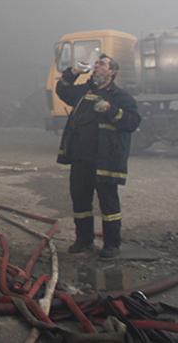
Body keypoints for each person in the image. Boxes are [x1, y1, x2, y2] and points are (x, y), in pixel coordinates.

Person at [56, 53, 141, 259]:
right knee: (80, 200)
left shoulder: (121, 97)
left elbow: (132, 122)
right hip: (81, 158)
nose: (96, 67)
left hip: (105, 159)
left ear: (112, 72)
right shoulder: (84, 91)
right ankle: (84, 241)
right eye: (96, 64)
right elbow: (63, 90)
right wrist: (74, 71)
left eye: (101, 64)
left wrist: (110, 110)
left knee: (108, 202)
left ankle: (112, 244)